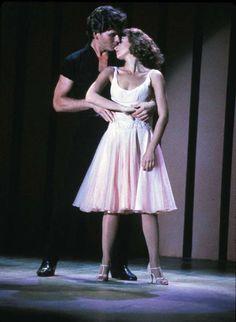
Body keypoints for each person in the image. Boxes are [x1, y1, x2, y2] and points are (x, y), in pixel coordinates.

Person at [37, 6, 154, 280]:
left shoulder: (123, 62)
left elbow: (147, 86)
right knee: (67, 198)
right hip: (86, 138)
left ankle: (118, 264)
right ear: (96, 33)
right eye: (112, 35)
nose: (117, 40)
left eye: (119, 36)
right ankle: (49, 259)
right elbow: (59, 102)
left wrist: (148, 104)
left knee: (122, 198)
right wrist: (91, 103)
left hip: (121, 138)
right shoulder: (76, 60)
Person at [72, 28, 177, 284]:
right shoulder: (111, 72)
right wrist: (121, 108)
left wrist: (151, 148)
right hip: (115, 140)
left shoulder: (154, 76)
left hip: (141, 140)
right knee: (112, 205)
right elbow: (90, 95)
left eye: (121, 41)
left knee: (147, 206)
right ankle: (105, 265)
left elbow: (163, 114)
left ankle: (155, 268)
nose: (116, 44)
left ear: (135, 45)